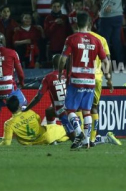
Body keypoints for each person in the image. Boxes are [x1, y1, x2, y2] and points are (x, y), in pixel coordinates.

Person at [58, 11, 111, 149]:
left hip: (76, 79)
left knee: (69, 110)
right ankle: (87, 141)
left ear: (76, 23)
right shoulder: (97, 40)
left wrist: (59, 73)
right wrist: (108, 77)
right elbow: (106, 61)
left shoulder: (71, 39)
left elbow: (63, 58)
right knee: (87, 111)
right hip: (91, 80)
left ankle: (80, 133)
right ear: (89, 23)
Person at [24, 54, 74, 141]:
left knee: (73, 137)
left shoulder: (48, 77)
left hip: (60, 110)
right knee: (49, 111)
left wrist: (27, 108)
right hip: (73, 107)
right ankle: (55, 133)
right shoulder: (68, 74)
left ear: (52, 64)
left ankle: (54, 136)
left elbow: (38, 97)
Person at [0, 96, 69, 146]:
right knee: (68, 129)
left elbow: (7, 143)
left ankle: (56, 141)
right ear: (19, 105)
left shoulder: (8, 124)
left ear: (9, 109)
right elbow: (38, 120)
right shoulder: (29, 112)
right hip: (46, 136)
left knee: (64, 136)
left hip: (32, 143)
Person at [86, 22, 115, 146]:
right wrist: (109, 78)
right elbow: (106, 60)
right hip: (96, 77)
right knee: (93, 107)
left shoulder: (75, 38)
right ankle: (92, 139)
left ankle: (82, 137)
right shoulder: (100, 39)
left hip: (80, 76)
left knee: (78, 108)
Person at [99, 0, 124, 64]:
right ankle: (121, 63)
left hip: (108, 16)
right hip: (117, 15)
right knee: (116, 40)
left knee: (105, 41)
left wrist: (110, 5)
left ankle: (105, 64)